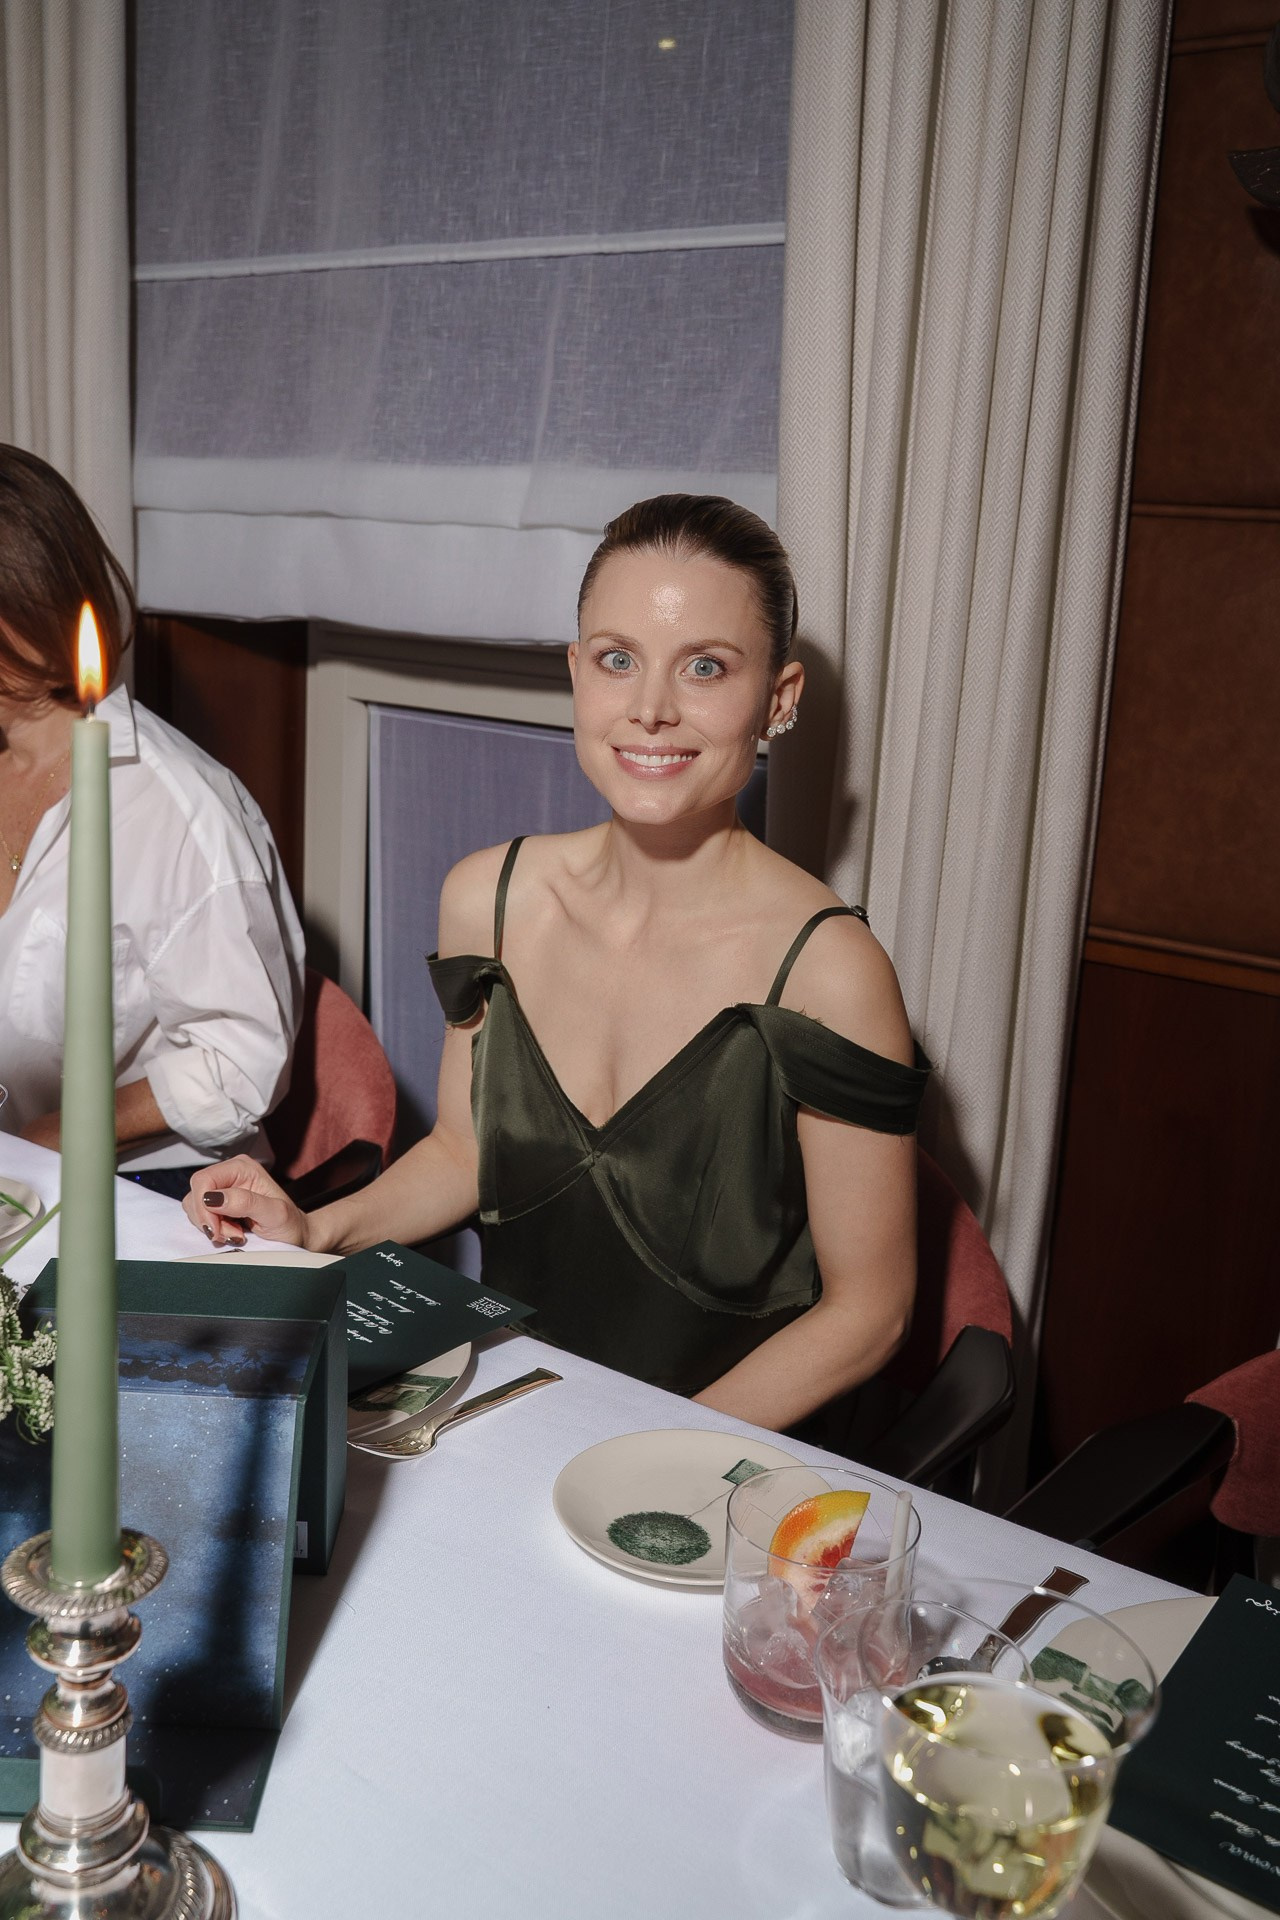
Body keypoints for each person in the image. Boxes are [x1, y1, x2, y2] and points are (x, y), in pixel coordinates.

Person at [186, 496, 929, 1431]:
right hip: (511, 1409)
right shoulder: (488, 900)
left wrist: (649, 1455)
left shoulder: (831, 971)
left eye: (705, 666)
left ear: (778, 700)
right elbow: (464, 1154)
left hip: (722, 1455)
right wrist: (314, 1227)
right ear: (576, 673)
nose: (651, 709)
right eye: (618, 660)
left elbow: (870, 1312)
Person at [0, 444, 305, 1195]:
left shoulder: (181, 810)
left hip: (143, 1185)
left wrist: (53, 1136)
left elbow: (241, 1061)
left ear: (32, 605)